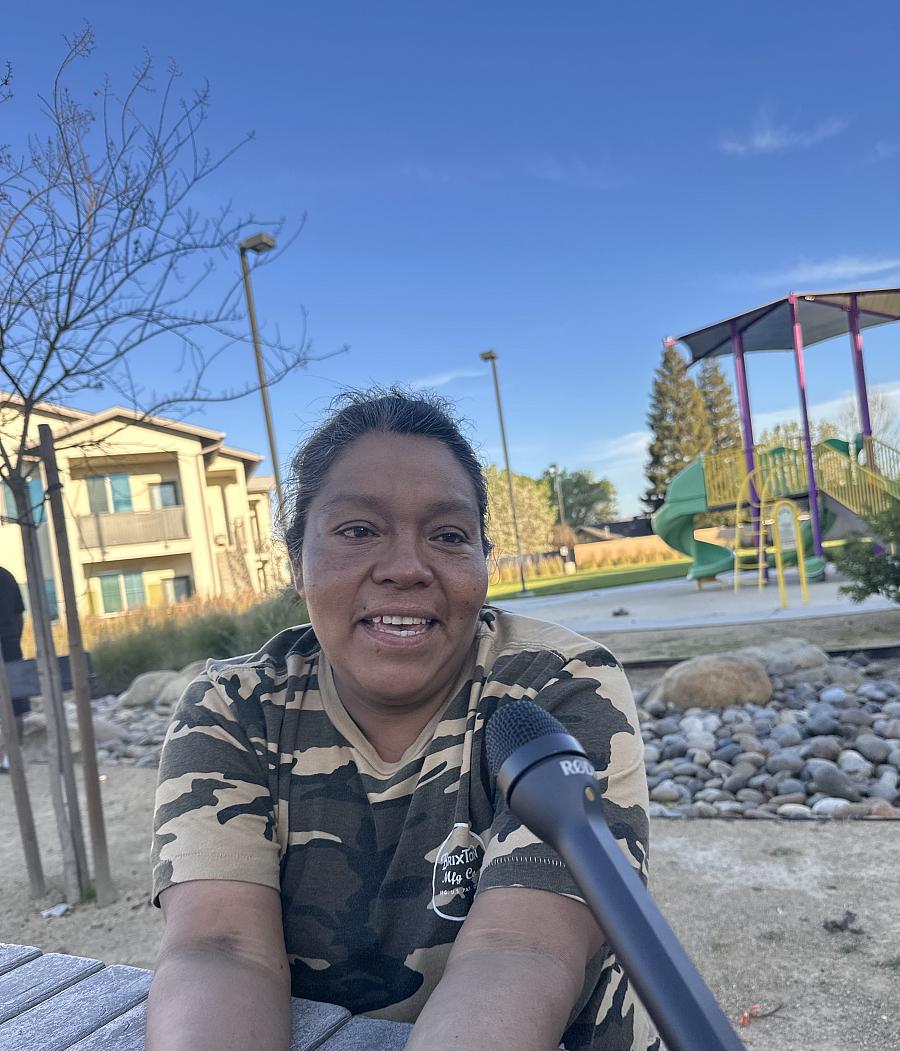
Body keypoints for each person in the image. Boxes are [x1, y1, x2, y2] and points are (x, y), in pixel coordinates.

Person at [147, 389, 658, 1051]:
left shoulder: (557, 689)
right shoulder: (232, 712)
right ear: (296, 561)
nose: (406, 568)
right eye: (359, 530)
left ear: (483, 560)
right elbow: (220, 948)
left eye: (448, 536)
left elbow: (522, 948)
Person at [0, 564, 26, 772]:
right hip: (10, 648)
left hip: (10, 645)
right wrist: (13, 639)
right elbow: (19, 616)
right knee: (16, 703)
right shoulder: (7, 576)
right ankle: (12, 755)